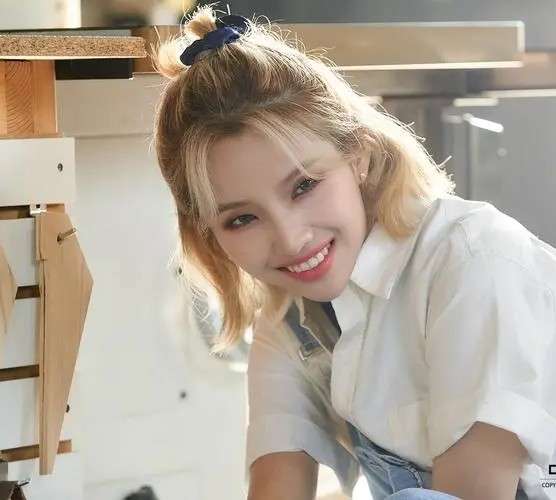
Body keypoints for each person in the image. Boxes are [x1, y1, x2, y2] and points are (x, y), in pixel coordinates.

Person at [151, 4, 556, 500]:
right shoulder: (290, 319)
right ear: (208, 234)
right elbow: (277, 485)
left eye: (304, 186)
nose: (290, 239)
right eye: (242, 219)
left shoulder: (473, 261)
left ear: (358, 154)